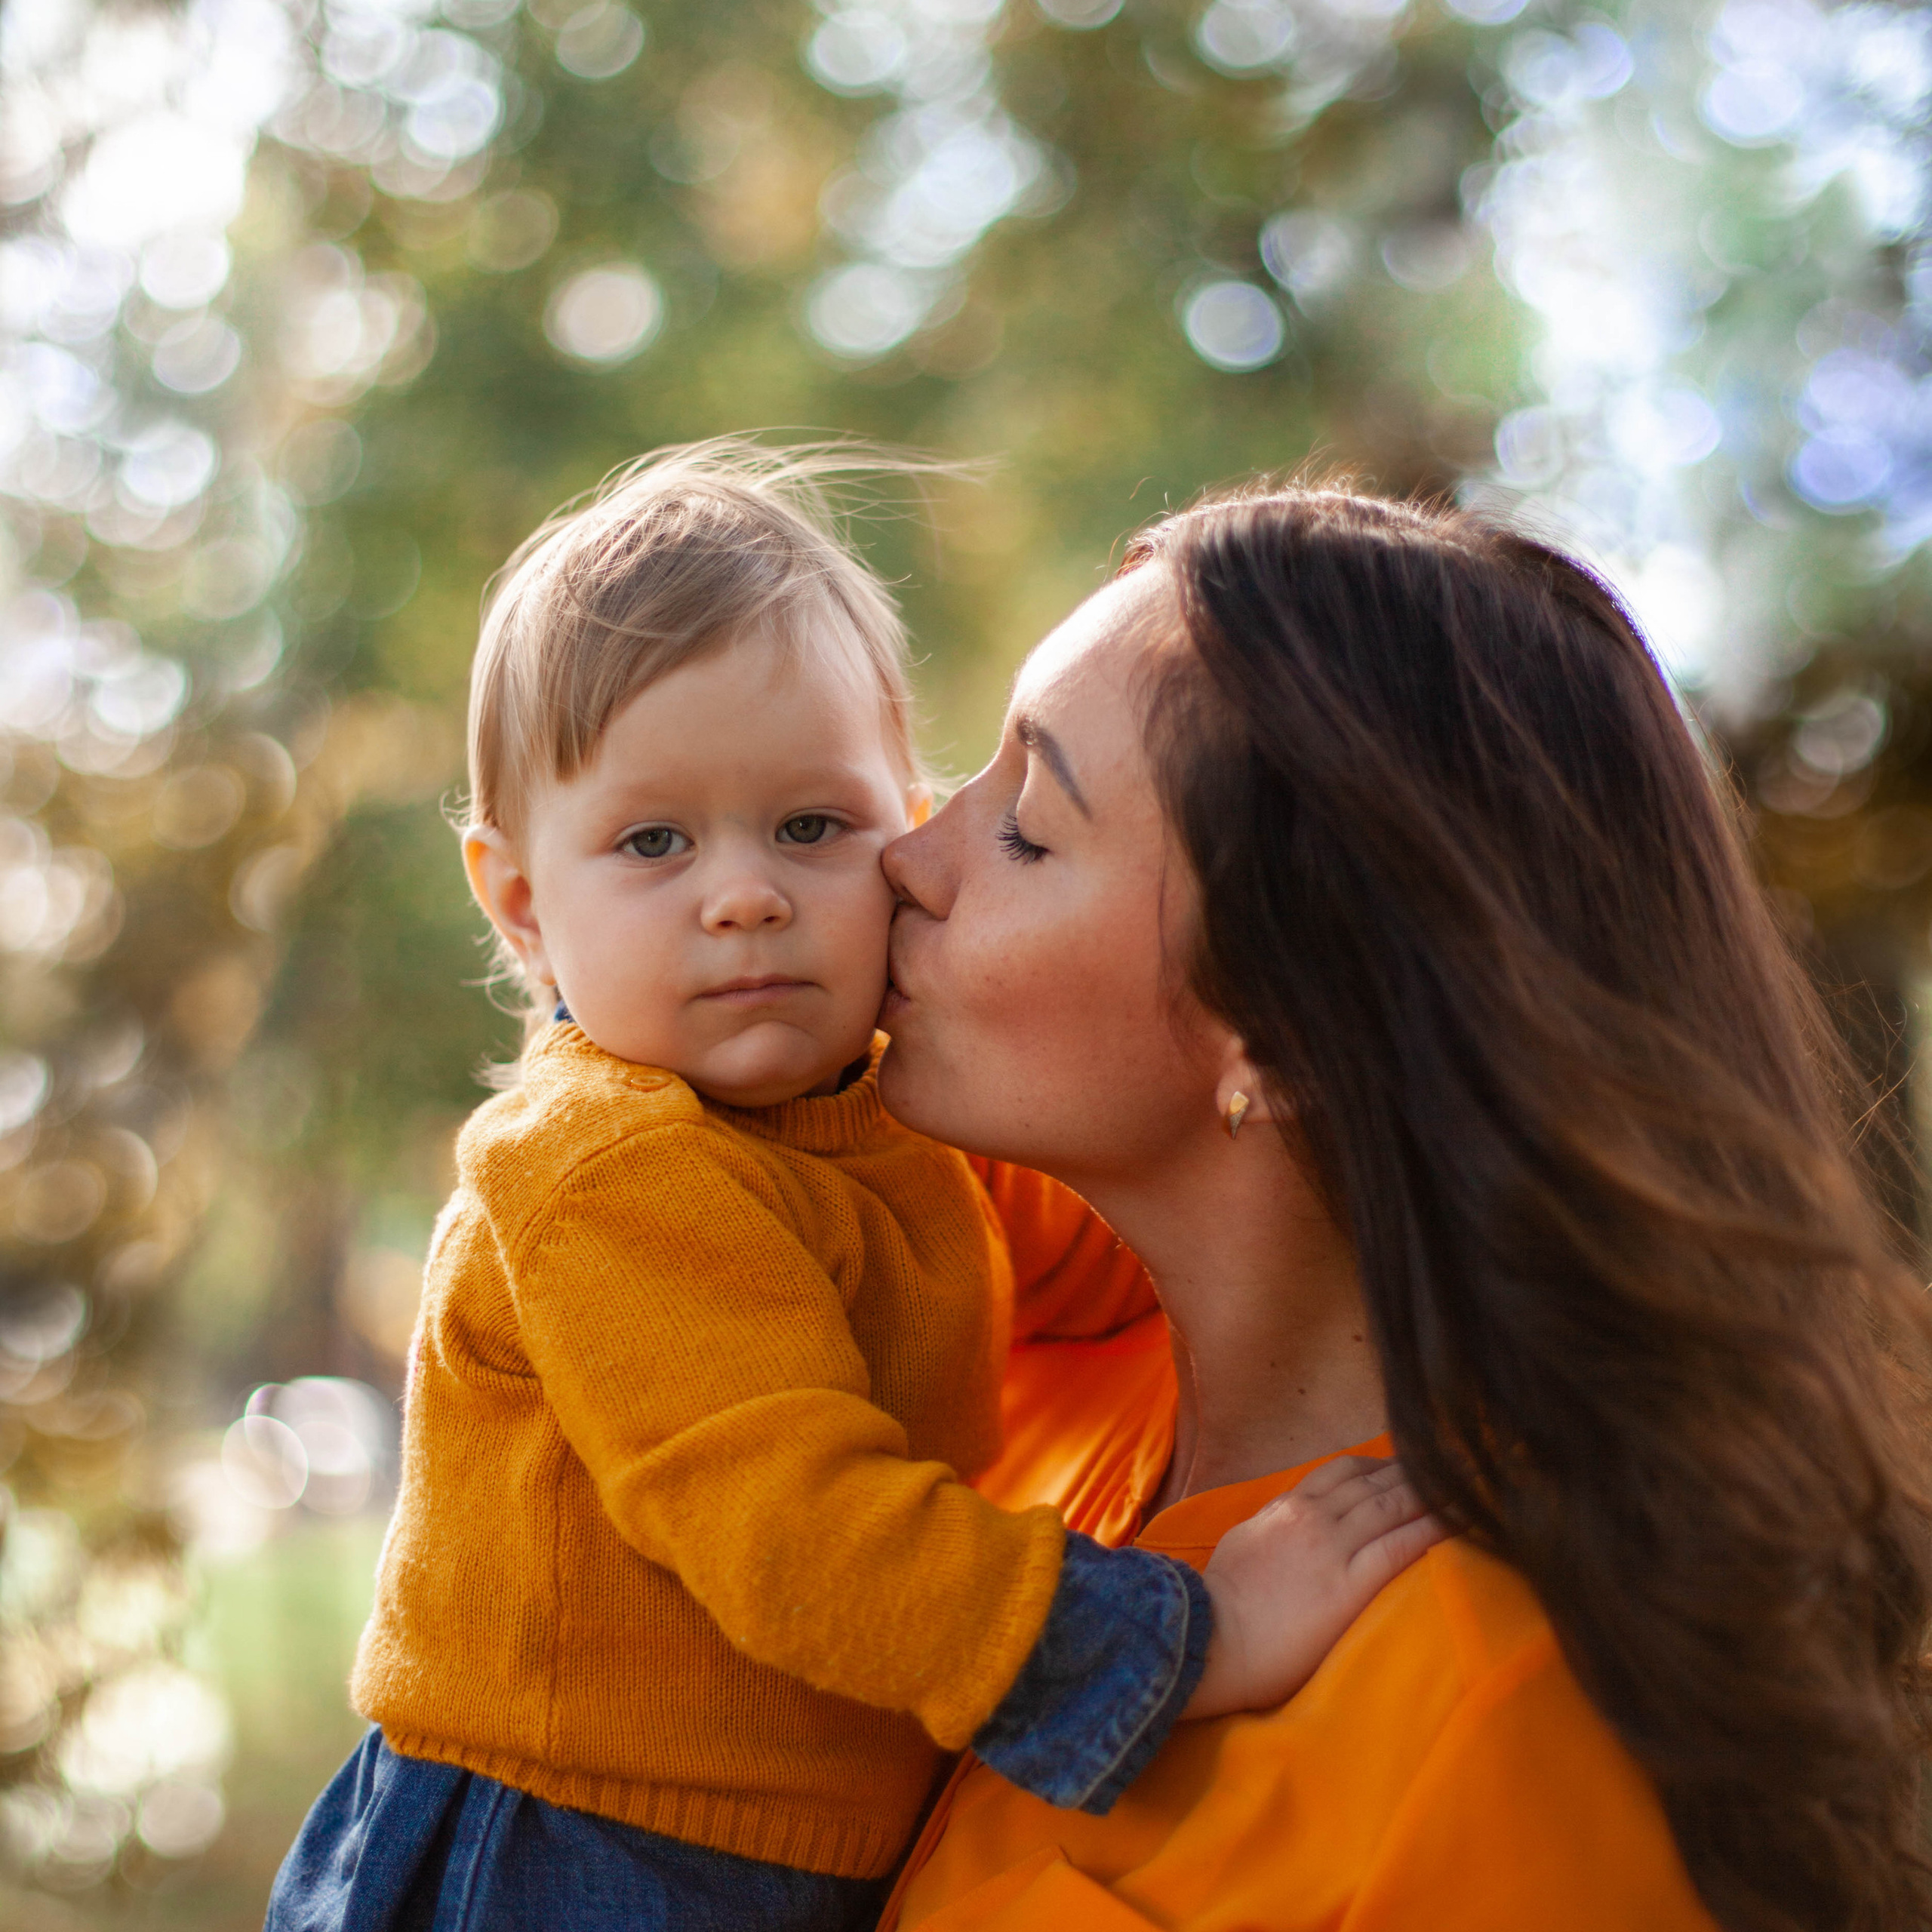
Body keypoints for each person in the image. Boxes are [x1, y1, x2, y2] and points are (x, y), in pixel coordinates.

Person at [263, 445, 1441, 1932]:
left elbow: (1099, 1267)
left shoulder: (873, 1126)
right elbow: (796, 1527)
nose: (743, 892)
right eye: (652, 840)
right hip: (570, 1842)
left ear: (899, 817)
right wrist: (1185, 1634)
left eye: (810, 827)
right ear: (518, 901)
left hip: (753, 1842)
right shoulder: (607, 1166)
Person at [873, 481, 1932, 1931]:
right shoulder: (985, 1423)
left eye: (1028, 828)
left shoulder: (1505, 1716)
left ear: (1288, 1032)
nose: (905, 854)